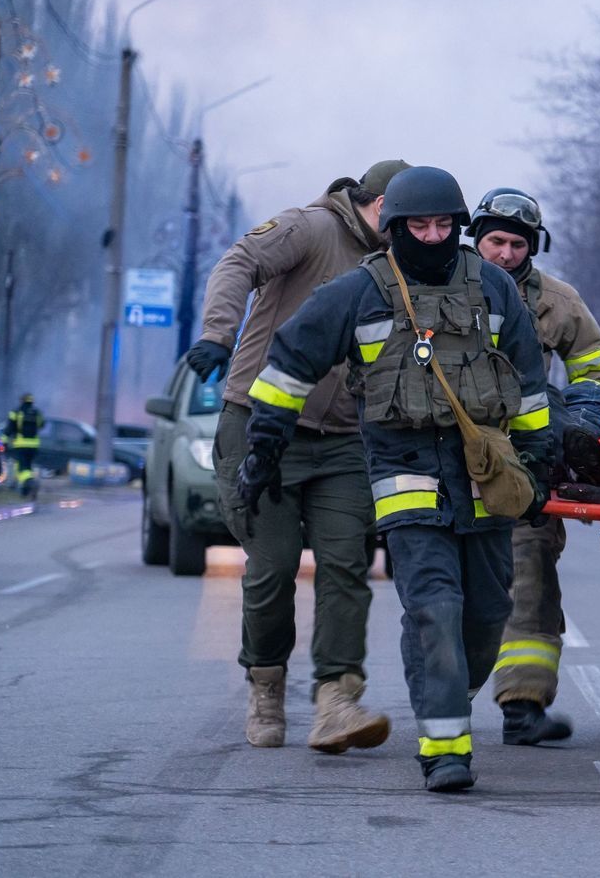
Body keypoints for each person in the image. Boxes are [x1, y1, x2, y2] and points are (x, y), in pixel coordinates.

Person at [235, 166, 555, 792]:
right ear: (394, 228)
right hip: (403, 475)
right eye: (418, 226)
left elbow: (529, 384)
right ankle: (444, 749)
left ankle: (449, 682)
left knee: (489, 612)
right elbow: (288, 363)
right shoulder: (359, 291)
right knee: (435, 608)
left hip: (486, 476)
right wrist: (265, 446)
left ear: (458, 227)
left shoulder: (494, 288)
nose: (432, 237)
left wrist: (538, 463)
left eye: (443, 225)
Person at [187, 160, 410, 752]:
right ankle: (266, 685)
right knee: (274, 566)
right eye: (410, 216)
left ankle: (337, 698)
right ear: (382, 203)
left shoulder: (401, 265)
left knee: (346, 564)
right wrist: (217, 333)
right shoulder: (309, 228)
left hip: (343, 439)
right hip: (260, 426)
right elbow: (239, 262)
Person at [468, 188, 600, 746]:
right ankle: (444, 706)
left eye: (516, 243)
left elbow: (597, 380)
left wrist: (574, 437)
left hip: (523, 463)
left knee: (529, 582)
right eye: (495, 241)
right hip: (442, 462)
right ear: (475, 237)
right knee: (448, 589)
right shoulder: (433, 288)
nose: (504, 253)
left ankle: (522, 707)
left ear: (533, 246)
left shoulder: (558, 301)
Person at [4, 393, 44, 498]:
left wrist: (4, 441)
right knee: (28, 467)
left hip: (20, 445)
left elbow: (9, 428)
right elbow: (42, 425)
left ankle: (31, 483)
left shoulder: (16, 412)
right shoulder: (37, 413)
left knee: (21, 469)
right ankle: (25, 491)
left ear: (22, 401)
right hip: (34, 446)